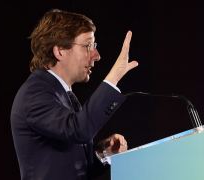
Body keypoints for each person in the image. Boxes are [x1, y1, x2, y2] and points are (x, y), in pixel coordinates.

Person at [10, 9, 138, 180]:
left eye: (95, 46)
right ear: (60, 51)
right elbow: (79, 130)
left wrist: (101, 153)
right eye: (87, 46)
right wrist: (114, 76)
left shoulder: (62, 93)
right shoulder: (35, 92)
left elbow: (72, 166)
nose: (97, 56)